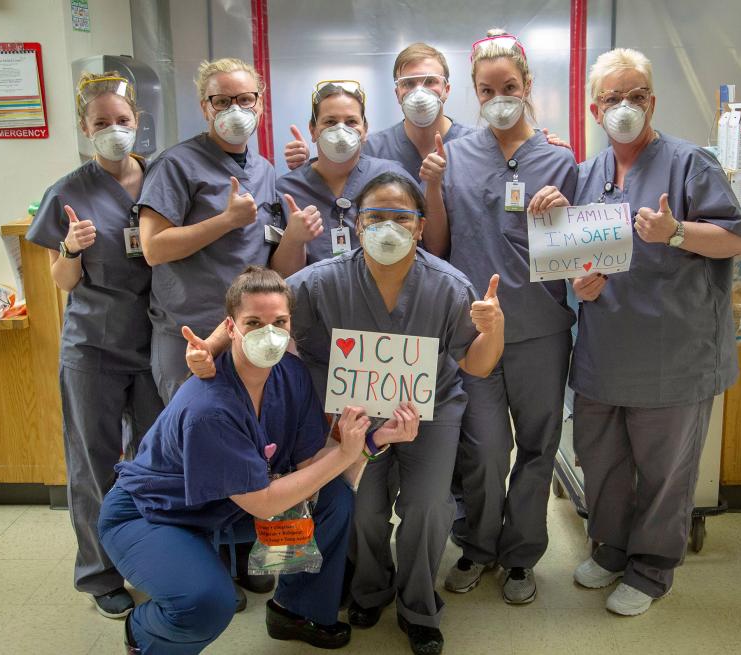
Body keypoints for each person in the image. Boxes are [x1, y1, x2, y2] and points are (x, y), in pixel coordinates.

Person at [186, 172, 505, 655]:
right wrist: (208, 351)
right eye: (376, 217)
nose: (389, 228)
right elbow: (258, 306)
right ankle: (370, 589)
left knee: (426, 507)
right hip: (350, 415)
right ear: (357, 225)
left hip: (428, 413)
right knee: (364, 509)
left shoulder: (447, 285)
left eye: (402, 218)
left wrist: (494, 329)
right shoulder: (322, 281)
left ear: (421, 228)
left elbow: (478, 364)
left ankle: (418, 606)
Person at [99, 267, 421, 653]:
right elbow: (265, 502)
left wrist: (374, 439)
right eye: (253, 322)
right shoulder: (210, 408)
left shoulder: (291, 374)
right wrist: (347, 453)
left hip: (222, 507)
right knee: (206, 604)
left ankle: (295, 610)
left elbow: (308, 467)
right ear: (230, 328)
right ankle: (145, 633)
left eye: (279, 321)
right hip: (152, 514)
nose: (269, 334)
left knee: (334, 499)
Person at [568, 48, 741, 616]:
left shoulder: (689, 163)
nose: (625, 106)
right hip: (605, 350)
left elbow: (736, 240)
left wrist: (675, 233)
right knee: (602, 461)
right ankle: (613, 546)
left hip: (674, 352)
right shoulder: (588, 174)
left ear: (652, 101)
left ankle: (651, 567)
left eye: (636, 95)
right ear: (596, 110)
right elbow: (579, 258)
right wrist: (581, 286)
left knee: (665, 470)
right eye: (612, 98)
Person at [421, 30, 578, 605]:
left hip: (541, 329)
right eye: (487, 89)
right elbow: (437, 244)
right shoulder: (454, 155)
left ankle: (520, 556)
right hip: (475, 331)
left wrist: (561, 215)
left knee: (538, 447)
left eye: (509, 87)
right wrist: (433, 189)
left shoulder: (561, 159)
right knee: (483, 449)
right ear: (474, 93)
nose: (499, 97)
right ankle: (478, 545)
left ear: (528, 86)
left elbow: (574, 255)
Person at [25, 72, 163, 619]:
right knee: (94, 462)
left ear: (138, 124)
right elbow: (61, 281)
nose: (114, 131)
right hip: (93, 348)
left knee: (157, 460)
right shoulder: (69, 191)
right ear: (85, 130)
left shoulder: (162, 177)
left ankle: (155, 559)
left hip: (155, 345)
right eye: (102, 123)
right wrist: (72, 247)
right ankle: (100, 573)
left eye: (122, 122)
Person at [137, 57, 321, 404]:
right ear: (205, 108)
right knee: (195, 435)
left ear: (260, 104)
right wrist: (225, 220)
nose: (234, 109)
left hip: (248, 333)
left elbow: (271, 265)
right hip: (190, 331)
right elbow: (153, 248)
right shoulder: (175, 165)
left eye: (244, 99)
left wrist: (295, 235)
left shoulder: (264, 170)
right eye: (222, 101)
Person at [284, 44, 473, 183]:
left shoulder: (471, 145)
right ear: (397, 93)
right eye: (408, 83)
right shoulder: (373, 149)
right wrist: (310, 163)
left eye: (430, 81)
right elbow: (334, 178)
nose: (419, 92)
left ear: (446, 89)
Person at [276, 80, 418, 264]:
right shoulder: (288, 190)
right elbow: (281, 278)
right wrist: (293, 240)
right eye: (330, 122)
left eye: (351, 122)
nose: (341, 130)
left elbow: (418, 250)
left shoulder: (392, 178)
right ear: (313, 130)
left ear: (364, 130)